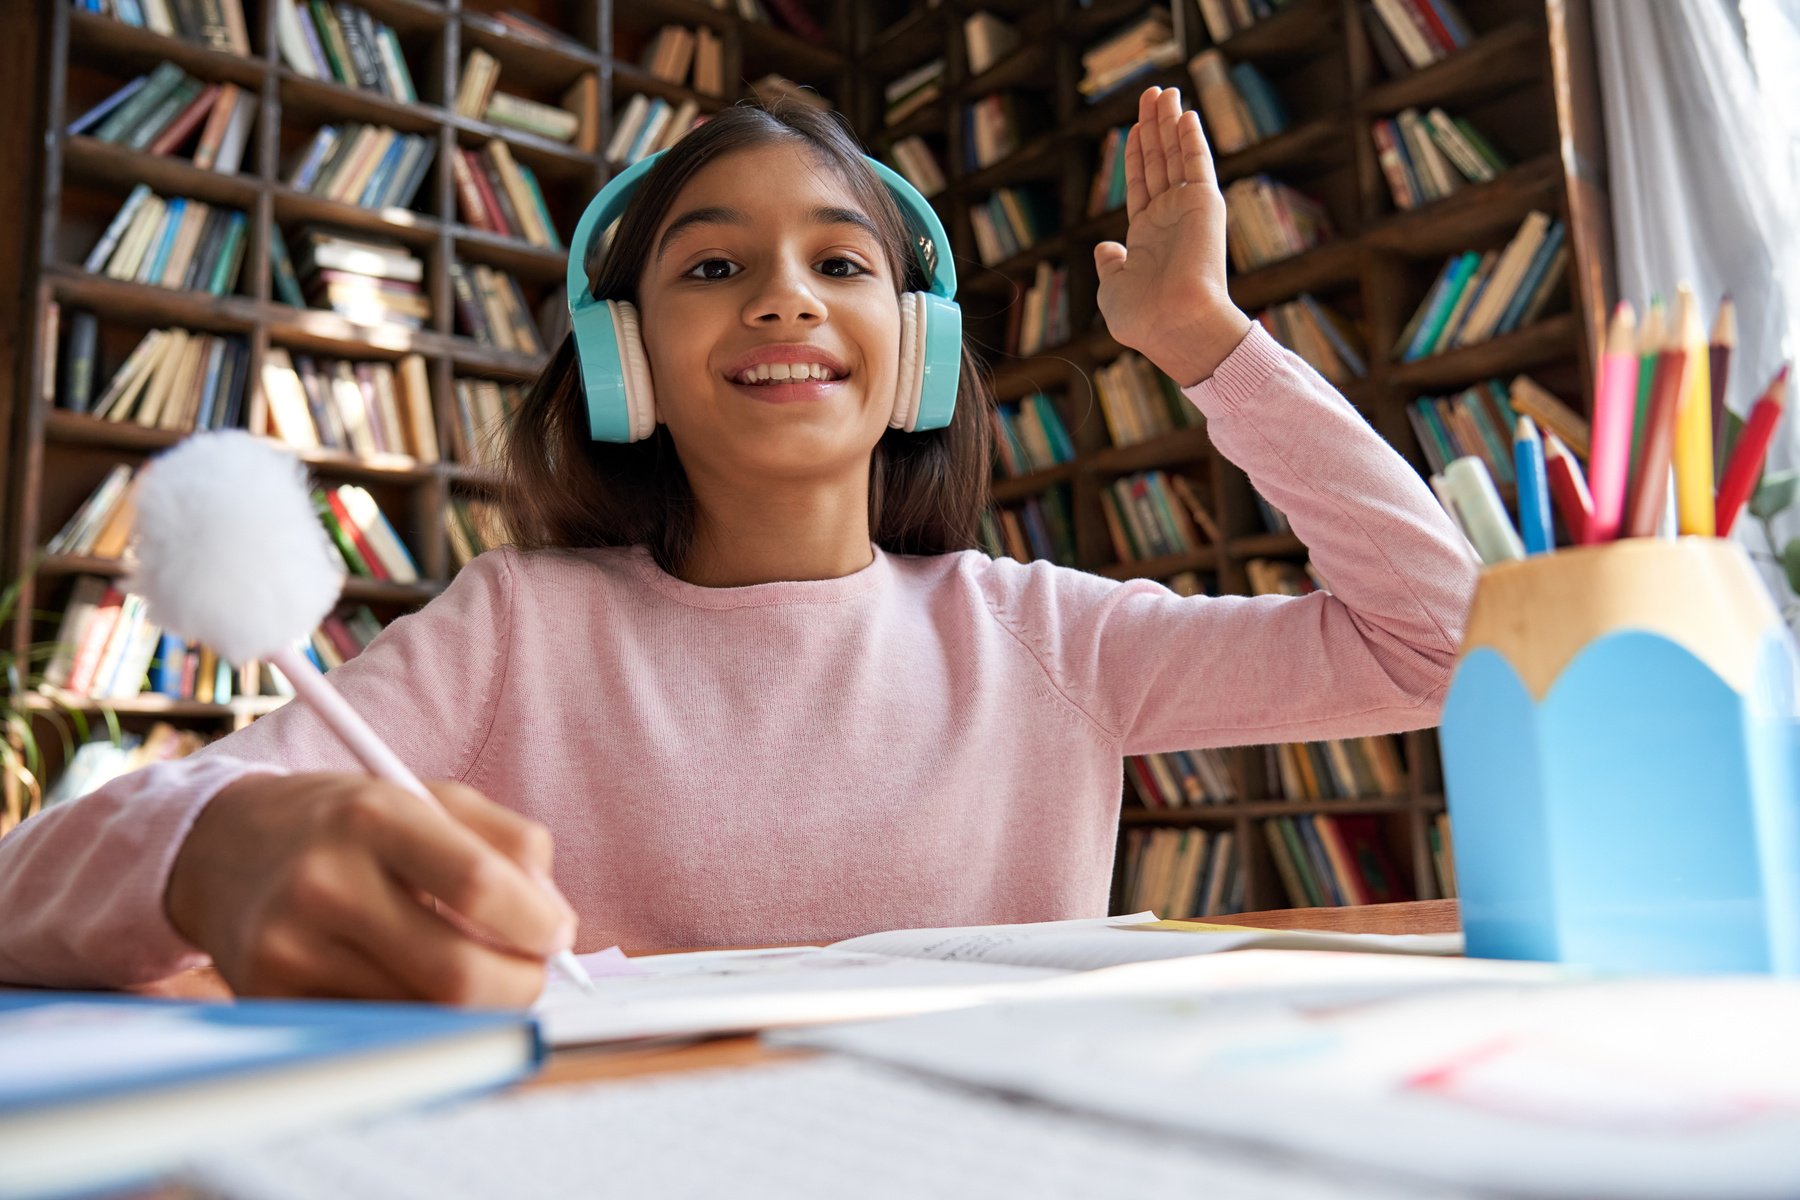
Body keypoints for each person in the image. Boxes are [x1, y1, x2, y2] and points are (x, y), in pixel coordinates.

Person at [0, 88, 1477, 1006]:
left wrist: (1209, 346)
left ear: (919, 355)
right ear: (619, 358)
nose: (785, 297)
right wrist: (206, 850)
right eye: (713, 265)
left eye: (841, 264)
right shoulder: (518, 626)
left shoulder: (1047, 633)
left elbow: (1441, 641)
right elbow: (30, 882)